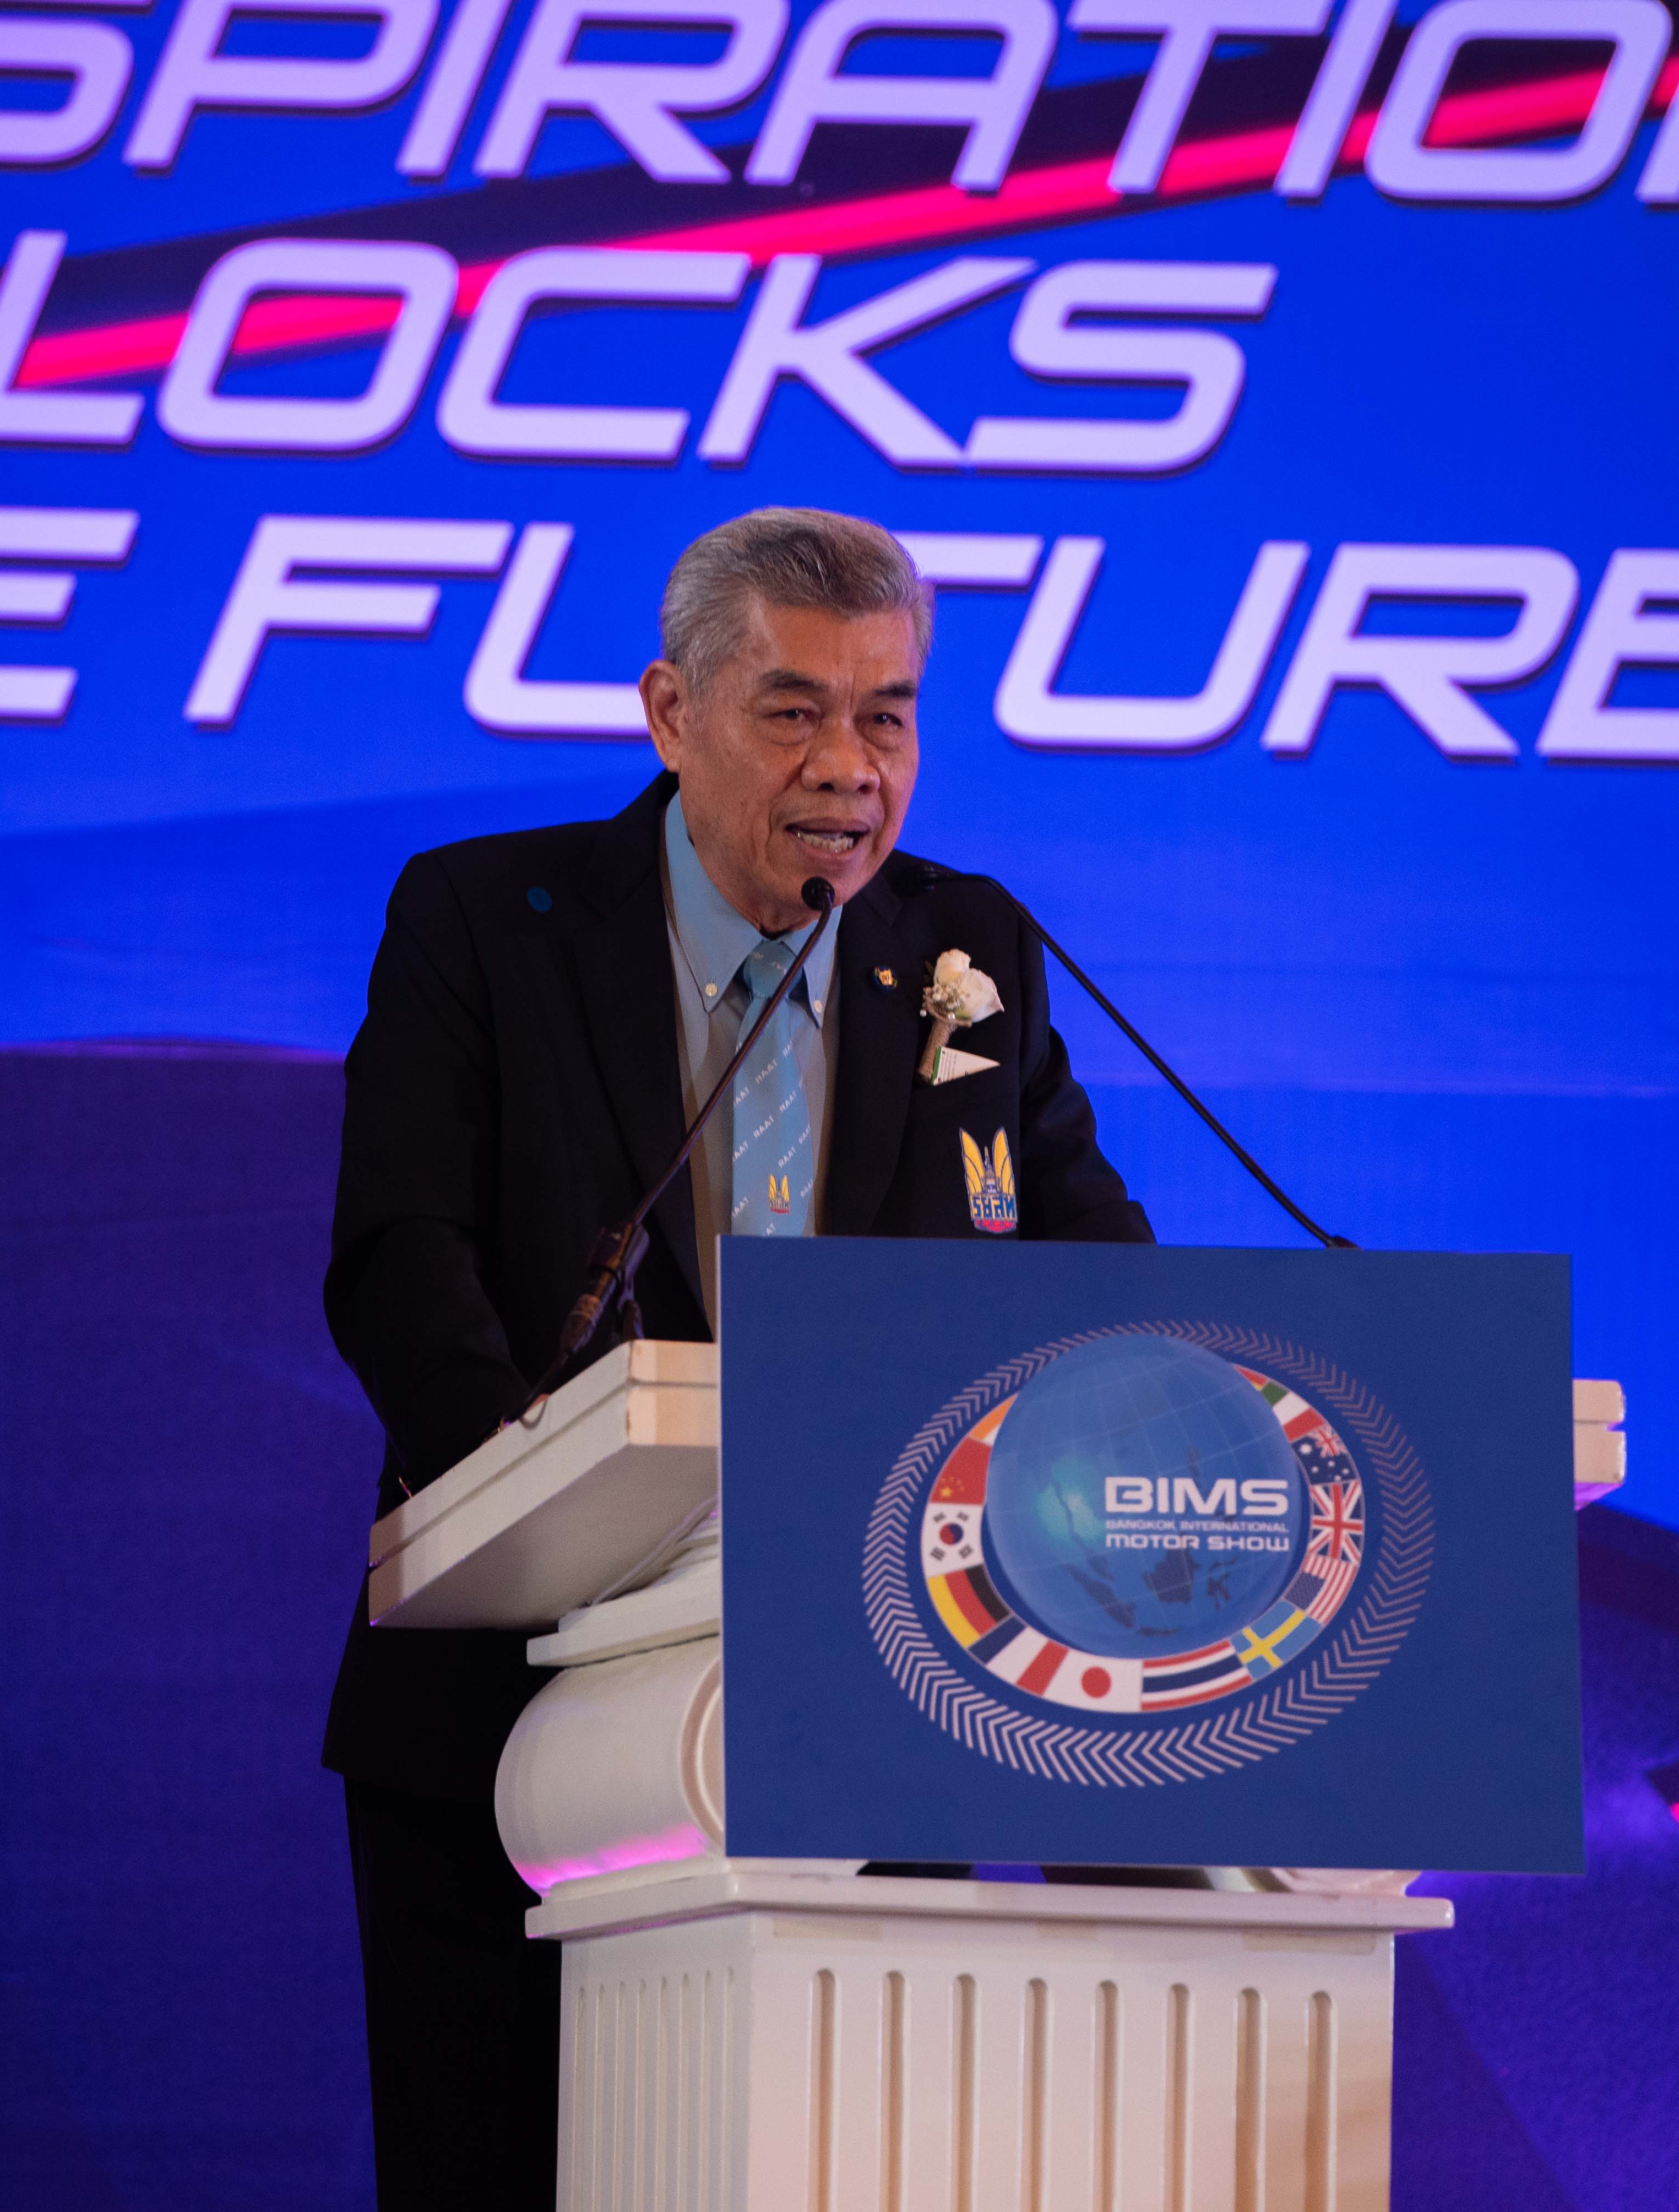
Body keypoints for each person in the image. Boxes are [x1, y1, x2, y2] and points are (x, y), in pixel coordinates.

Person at [320, 507, 1154, 2209]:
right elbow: (401, 1258)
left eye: (887, 714)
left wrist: (1183, 1401)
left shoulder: (968, 947)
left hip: (884, 1707)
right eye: (793, 712)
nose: (850, 765)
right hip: (519, 1725)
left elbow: (1092, 1277)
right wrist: (542, 1515)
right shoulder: (487, 920)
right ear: (670, 713)